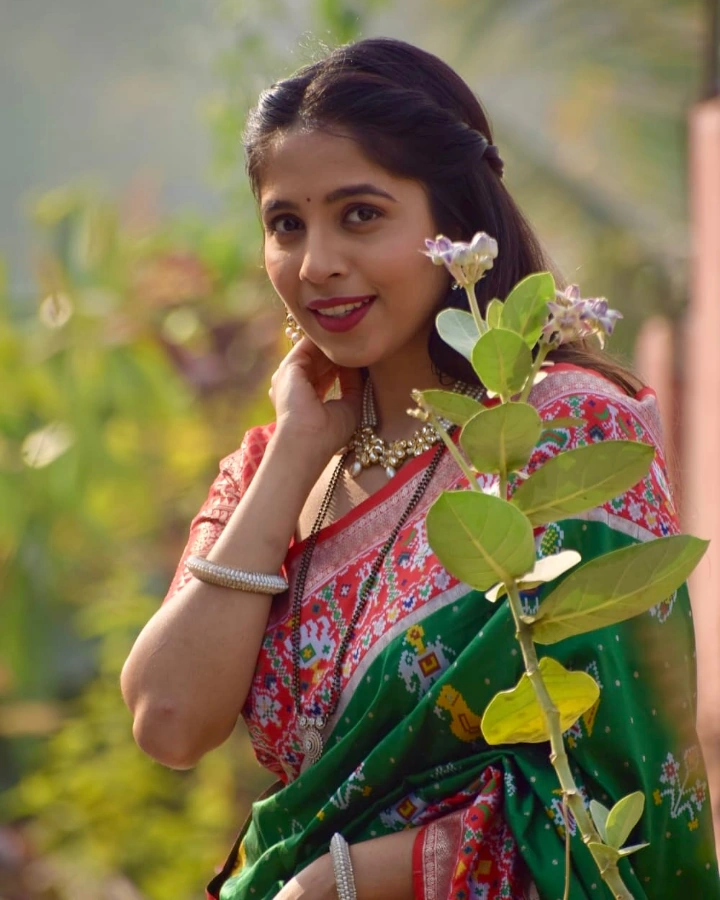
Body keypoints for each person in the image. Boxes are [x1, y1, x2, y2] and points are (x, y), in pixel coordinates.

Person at [120, 37, 719, 900]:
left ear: (455, 225)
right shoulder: (271, 469)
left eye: (360, 214)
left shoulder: (557, 430)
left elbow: (624, 789)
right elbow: (169, 723)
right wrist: (294, 452)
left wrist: (347, 878)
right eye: (286, 224)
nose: (316, 263)